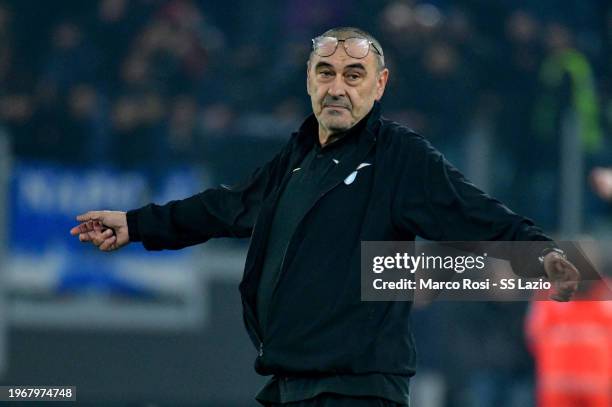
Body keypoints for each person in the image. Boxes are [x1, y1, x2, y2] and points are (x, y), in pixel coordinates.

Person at [70, 27, 580, 407]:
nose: (338, 87)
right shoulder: (294, 158)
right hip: (289, 387)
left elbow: (474, 212)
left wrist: (542, 255)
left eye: (353, 75)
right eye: (326, 72)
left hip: (355, 391)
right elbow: (223, 207)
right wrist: (136, 224)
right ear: (309, 81)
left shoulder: (398, 156)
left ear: (379, 86)